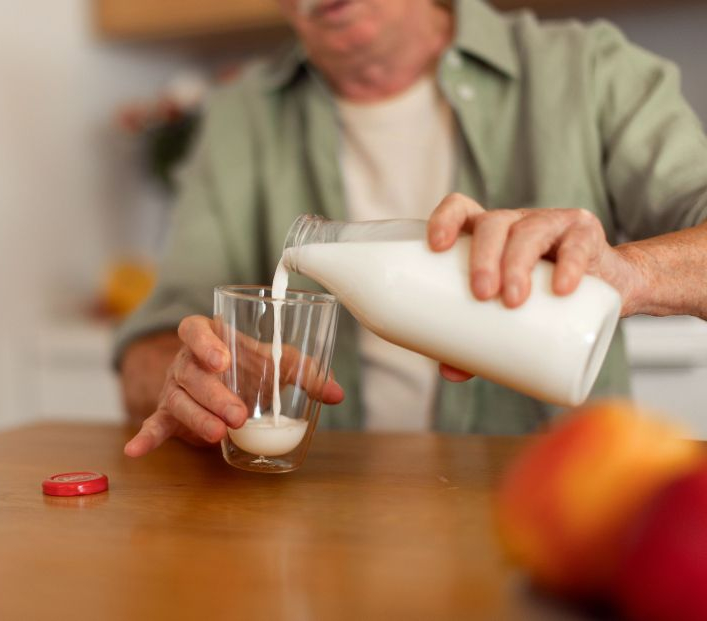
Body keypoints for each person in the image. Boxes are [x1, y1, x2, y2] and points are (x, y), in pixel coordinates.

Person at [114, 0, 707, 457]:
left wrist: (634, 274)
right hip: (328, 523)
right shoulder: (241, 117)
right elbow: (152, 346)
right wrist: (193, 375)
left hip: (559, 508)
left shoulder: (586, 70)